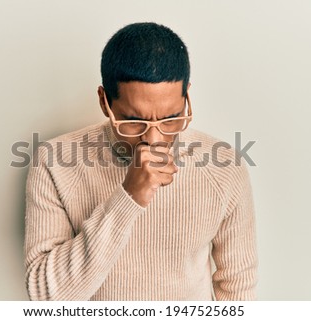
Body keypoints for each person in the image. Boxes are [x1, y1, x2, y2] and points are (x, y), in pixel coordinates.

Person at [24, 22, 258, 301]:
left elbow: (238, 285)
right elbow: (46, 297)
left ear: (186, 97)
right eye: (135, 121)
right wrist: (128, 197)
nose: (155, 139)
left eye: (171, 118)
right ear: (104, 102)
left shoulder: (225, 167)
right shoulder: (54, 163)